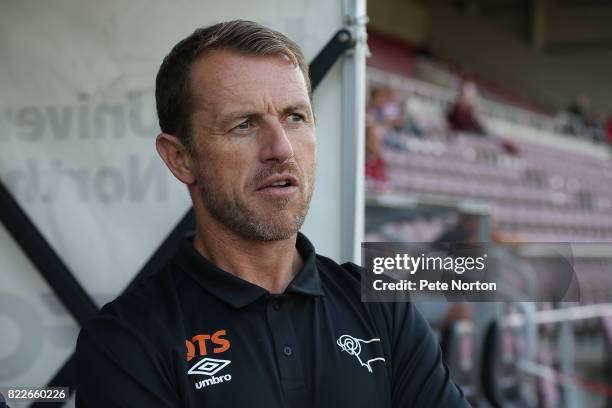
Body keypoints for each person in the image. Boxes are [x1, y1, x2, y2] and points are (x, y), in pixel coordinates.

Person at [74, 20, 469, 407]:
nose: (281, 148)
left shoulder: (384, 309)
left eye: (295, 117)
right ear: (180, 159)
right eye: (244, 125)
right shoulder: (127, 341)